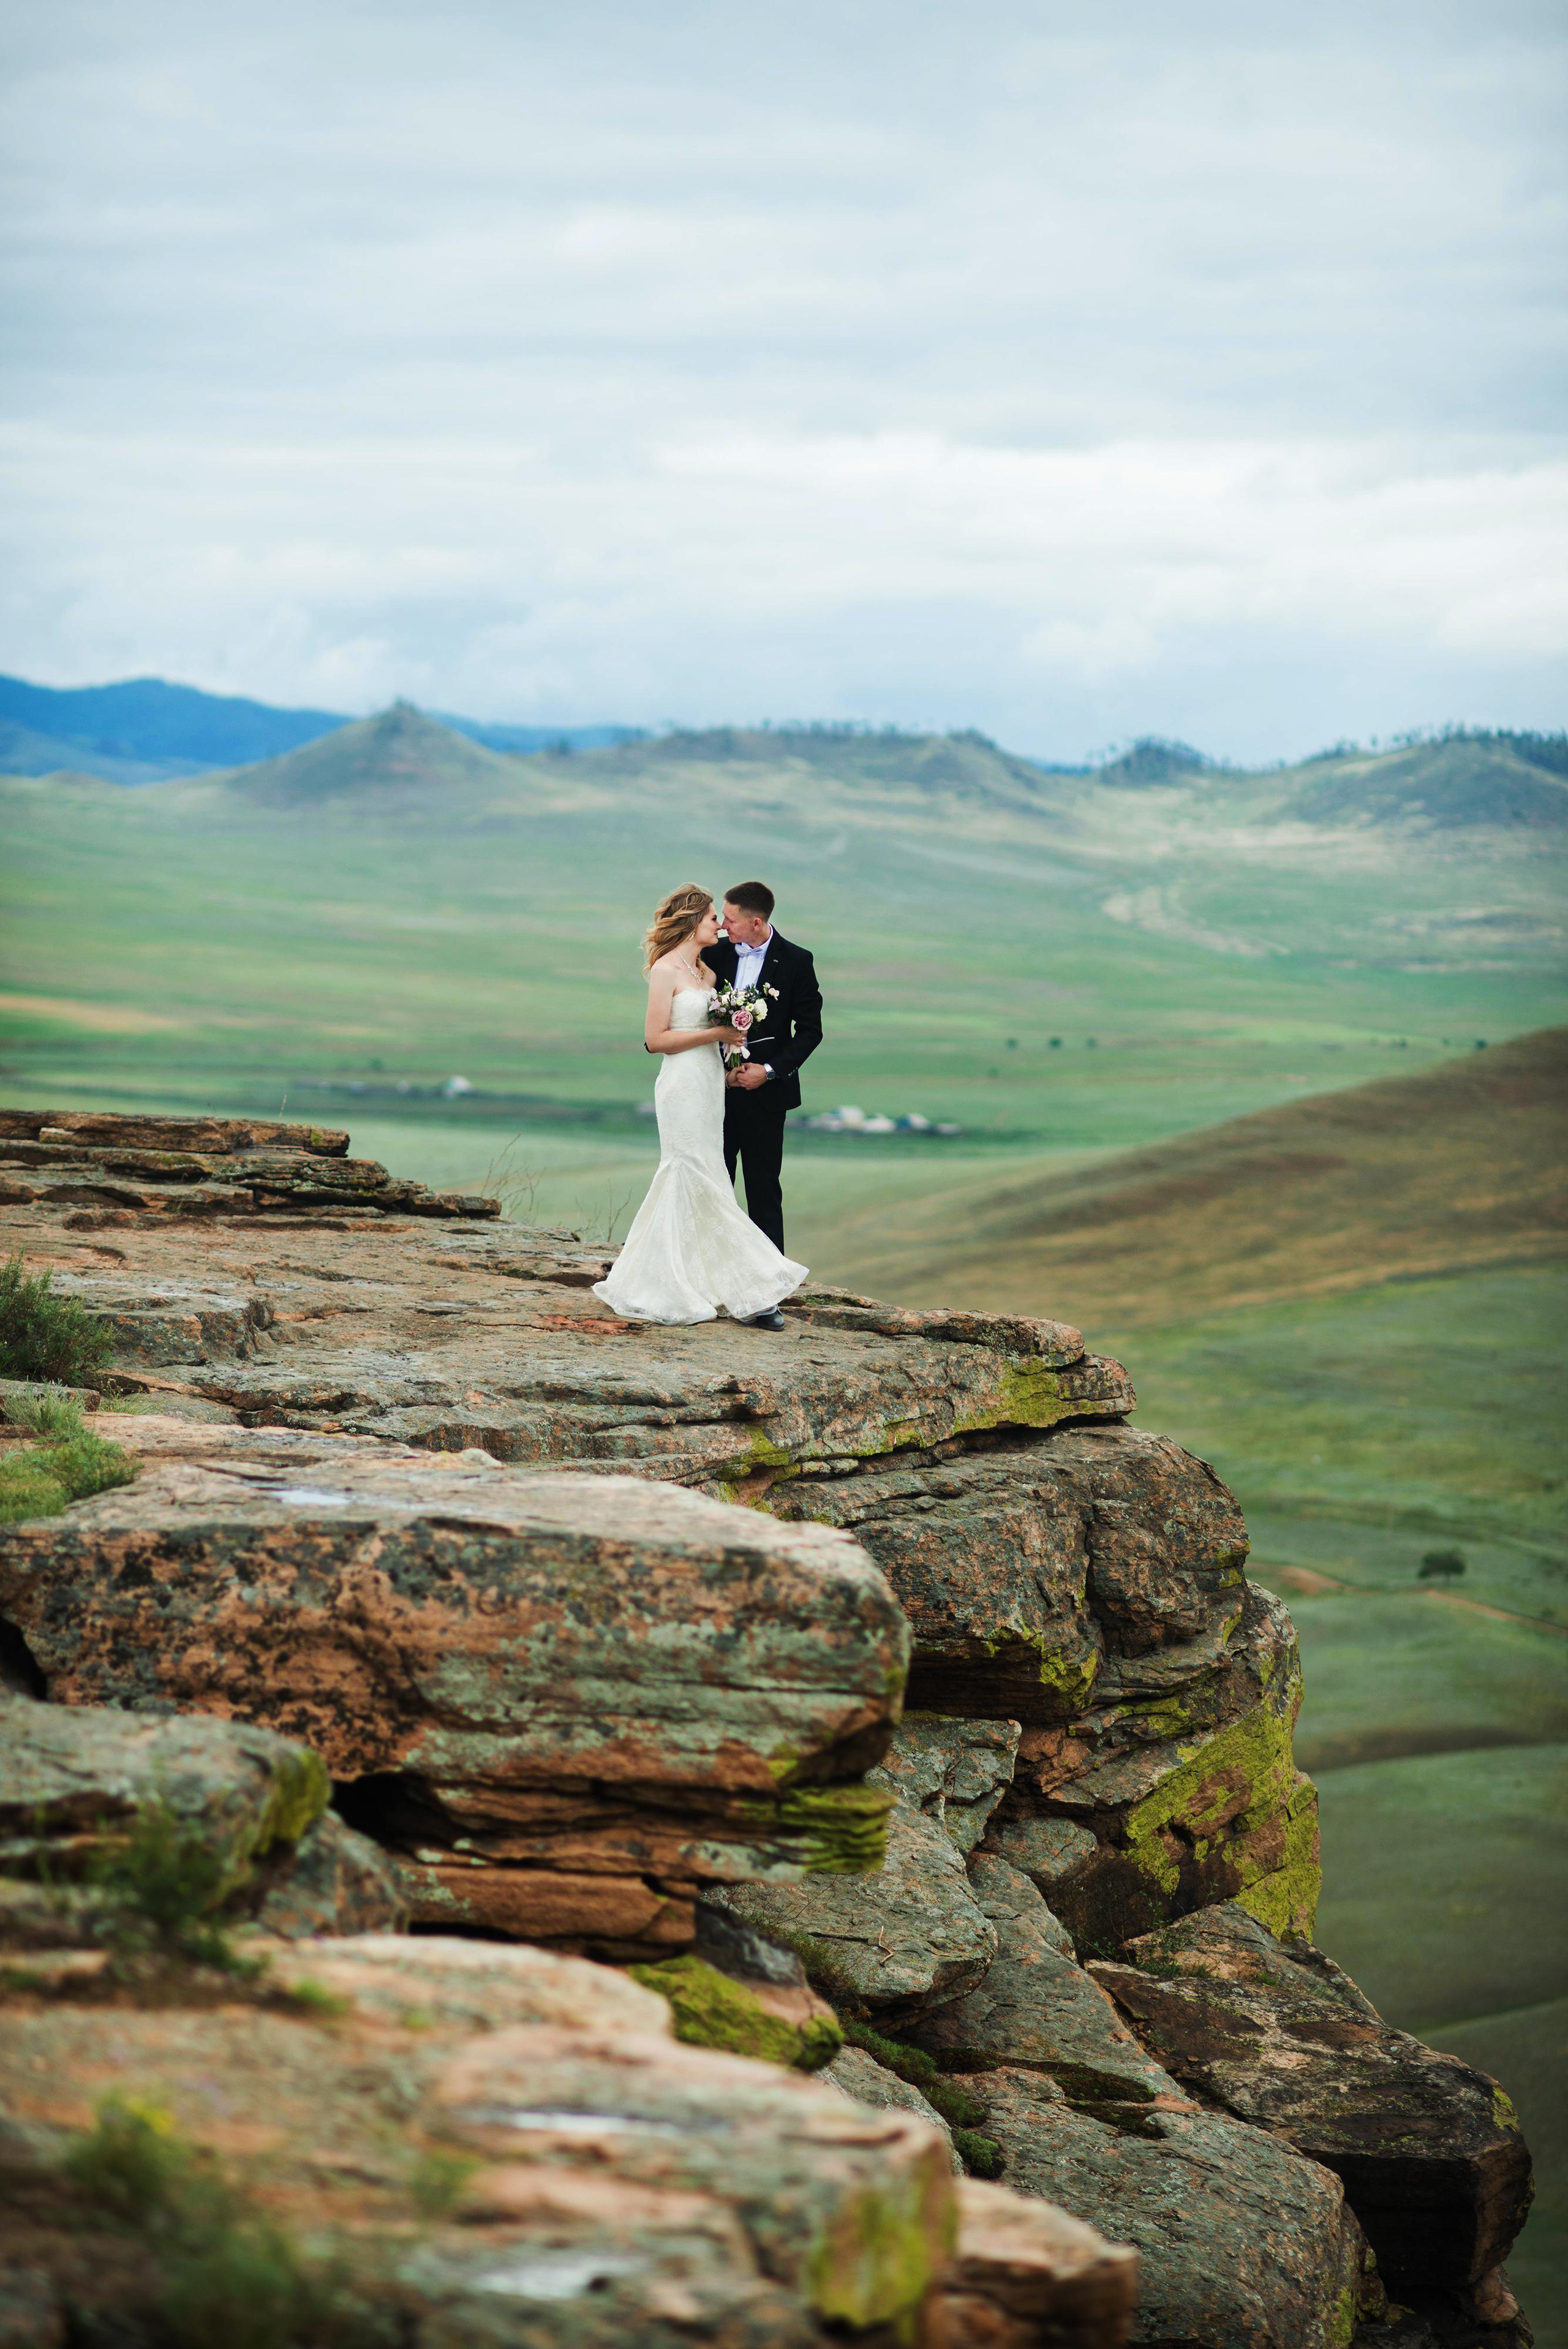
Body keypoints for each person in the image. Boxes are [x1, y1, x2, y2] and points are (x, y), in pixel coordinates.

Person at [592, 883, 809, 1328]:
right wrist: (718, 1036)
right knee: (687, 1170)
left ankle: (721, 1282)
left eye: (726, 919)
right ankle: (740, 1288)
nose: (722, 926)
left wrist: (736, 1064)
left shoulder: (709, 975)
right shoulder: (666, 969)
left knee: (713, 1176)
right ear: (694, 921)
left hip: (714, 1086)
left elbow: (800, 1028)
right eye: (715, 918)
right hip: (682, 1088)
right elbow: (655, 1040)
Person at [704, 881, 823, 1327]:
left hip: (765, 1097)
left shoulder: (797, 961)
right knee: (713, 1185)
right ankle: (707, 1282)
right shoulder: (713, 952)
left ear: (757, 922)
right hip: (712, 1093)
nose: (722, 925)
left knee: (763, 1191)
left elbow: (810, 1031)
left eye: (730, 919)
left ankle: (764, 1293)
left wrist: (768, 1072)